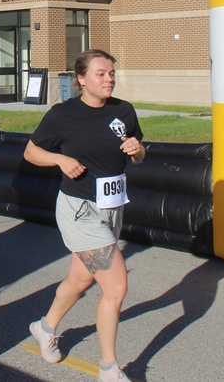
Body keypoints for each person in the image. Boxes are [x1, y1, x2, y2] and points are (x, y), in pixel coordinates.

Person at [23, 49, 145, 382]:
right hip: (80, 210)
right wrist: (60, 160)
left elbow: (138, 153)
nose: (109, 79)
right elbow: (31, 152)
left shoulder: (124, 110)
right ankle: (109, 368)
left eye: (111, 73)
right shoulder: (62, 114)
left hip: (113, 208)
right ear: (81, 79)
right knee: (116, 288)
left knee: (80, 280)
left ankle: (45, 328)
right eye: (101, 73)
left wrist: (138, 151)